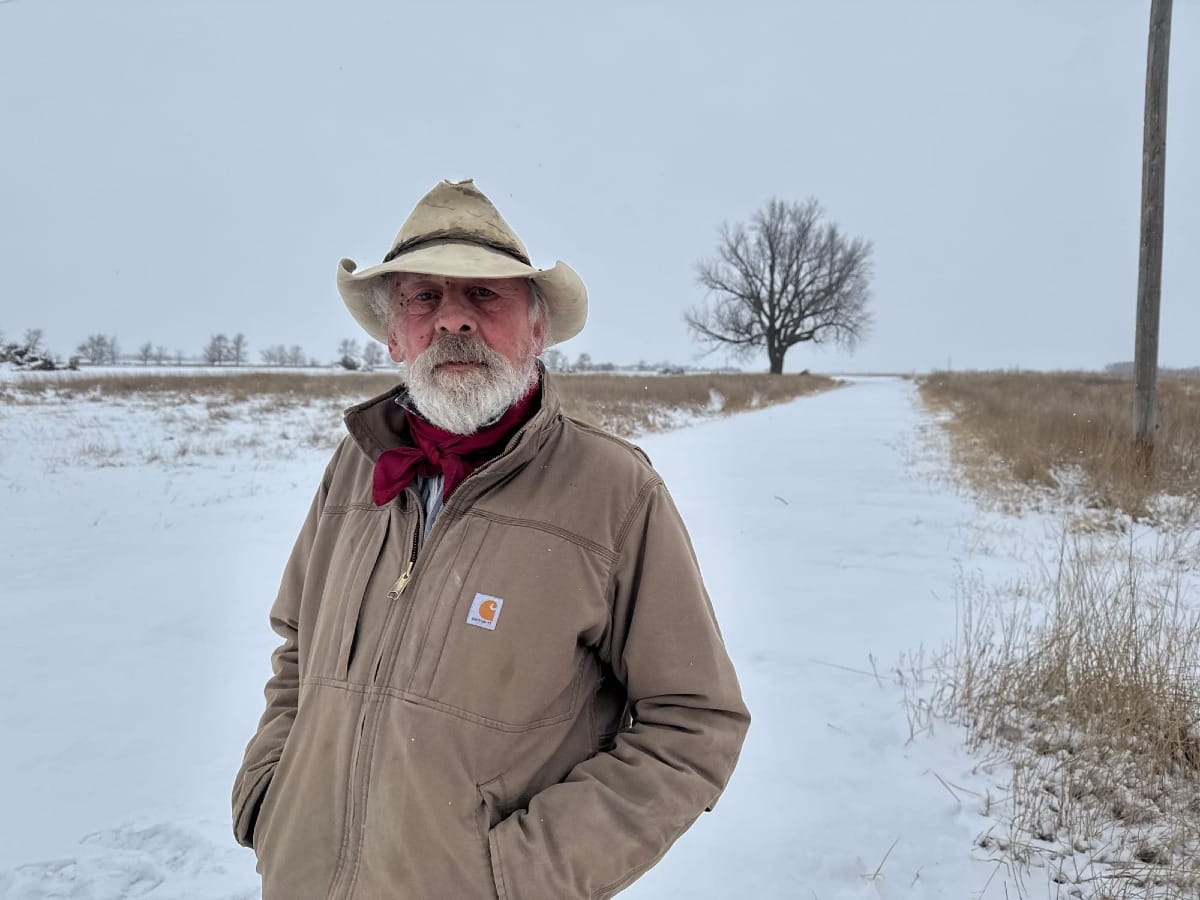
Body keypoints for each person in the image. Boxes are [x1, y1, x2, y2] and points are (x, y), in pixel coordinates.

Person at [231, 179, 750, 899]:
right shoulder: (357, 465)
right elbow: (299, 649)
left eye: (484, 297)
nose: (454, 322)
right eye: (424, 298)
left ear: (536, 331)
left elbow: (693, 723)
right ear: (393, 335)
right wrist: (269, 796)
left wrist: (520, 875)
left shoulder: (614, 492)